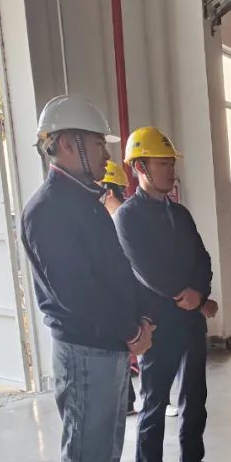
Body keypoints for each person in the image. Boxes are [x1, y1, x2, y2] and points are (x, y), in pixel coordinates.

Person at [21, 95, 157, 462]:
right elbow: (76, 293)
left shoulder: (84, 202)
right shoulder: (48, 211)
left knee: (105, 447)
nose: (106, 154)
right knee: (86, 455)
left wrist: (140, 320)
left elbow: (115, 273)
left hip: (109, 346)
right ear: (67, 144)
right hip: (85, 350)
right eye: (98, 144)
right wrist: (129, 332)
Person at [114, 127, 230, 462]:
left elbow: (203, 259)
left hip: (189, 320)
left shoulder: (179, 214)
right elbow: (147, 270)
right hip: (157, 324)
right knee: (154, 402)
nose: (170, 170)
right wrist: (188, 297)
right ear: (140, 167)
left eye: (171, 163)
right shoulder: (128, 217)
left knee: (194, 396)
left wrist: (200, 294)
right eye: (162, 164)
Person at [97, 161, 139, 416]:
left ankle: (128, 402)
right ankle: (127, 401)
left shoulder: (120, 220)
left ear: (109, 192)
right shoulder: (124, 216)